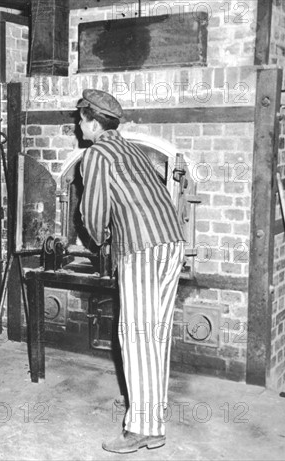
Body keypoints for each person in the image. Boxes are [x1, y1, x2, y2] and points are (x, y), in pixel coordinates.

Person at [76, 89, 185, 453]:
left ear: (93, 122)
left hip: (142, 248)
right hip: (172, 241)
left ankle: (140, 428)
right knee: (156, 334)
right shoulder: (132, 149)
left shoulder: (95, 155)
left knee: (136, 335)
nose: (79, 126)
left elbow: (93, 213)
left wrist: (98, 238)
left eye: (82, 119)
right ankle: (154, 425)